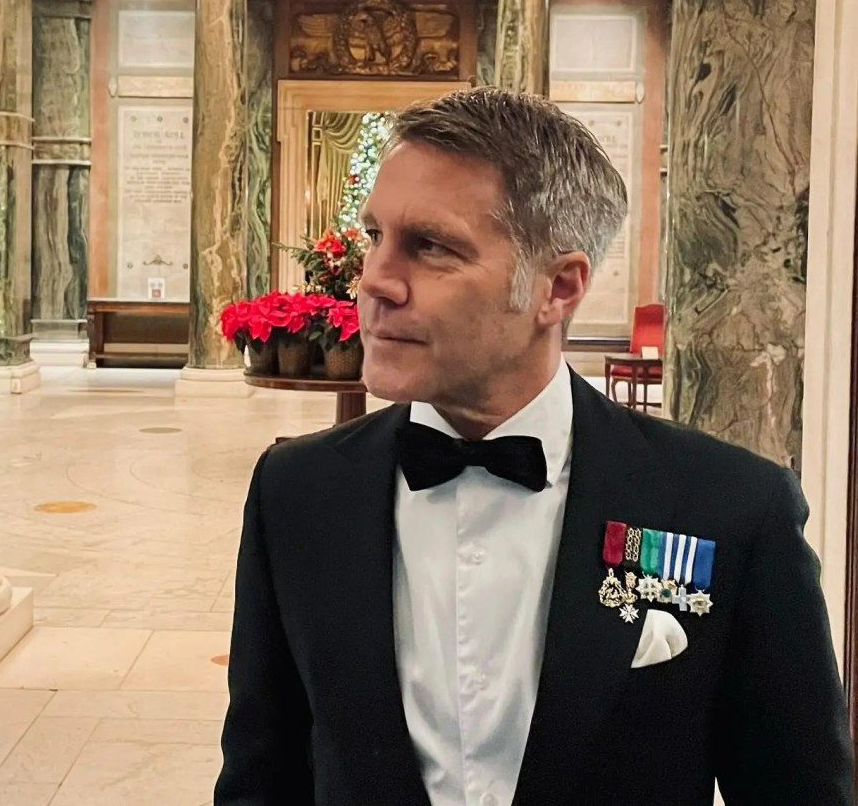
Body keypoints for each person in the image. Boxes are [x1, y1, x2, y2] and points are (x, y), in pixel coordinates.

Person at [214, 87, 853, 806]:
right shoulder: (296, 491)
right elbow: (261, 776)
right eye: (373, 236)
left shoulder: (729, 507)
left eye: (429, 245)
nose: (374, 279)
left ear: (557, 286)